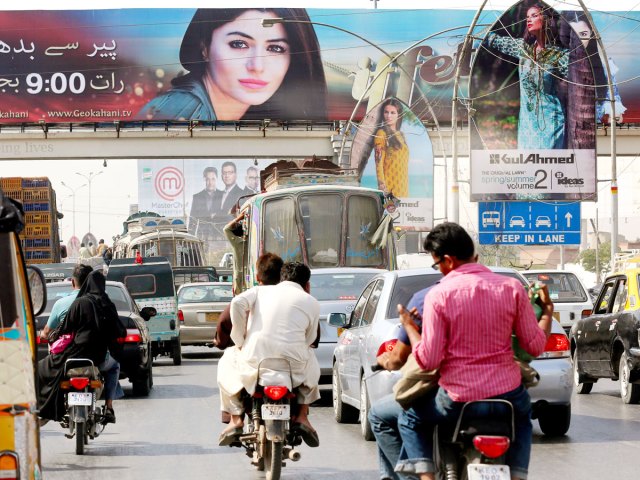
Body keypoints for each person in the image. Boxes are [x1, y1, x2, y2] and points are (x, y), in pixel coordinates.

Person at [394, 222, 553, 480]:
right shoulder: (511, 289)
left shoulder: (439, 295)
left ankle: (427, 477)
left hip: (456, 401)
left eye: (437, 265)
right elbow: (534, 346)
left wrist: (411, 329)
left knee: (410, 417)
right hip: (508, 397)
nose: (439, 271)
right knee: (523, 419)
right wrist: (546, 312)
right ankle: (518, 476)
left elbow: (429, 359)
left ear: (448, 261)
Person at [136, 8, 327, 121]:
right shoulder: (181, 109)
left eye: (275, 48)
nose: (257, 66)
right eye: (239, 44)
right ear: (204, 48)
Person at [217, 261, 320, 448]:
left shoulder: (260, 292)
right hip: (293, 368)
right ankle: (303, 416)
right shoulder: (311, 301)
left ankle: (235, 419)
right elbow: (310, 339)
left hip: (255, 362)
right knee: (310, 355)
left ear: (281, 279)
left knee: (227, 359)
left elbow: (237, 302)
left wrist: (240, 339)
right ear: (307, 285)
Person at [38, 270, 127, 423]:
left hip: (75, 354)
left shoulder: (79, 303)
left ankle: (44, 410)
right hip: (99, 357)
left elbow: (64, 328)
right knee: (114, 366)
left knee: (41, 368)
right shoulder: (107, 304)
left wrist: (54, 337)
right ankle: (109, 406)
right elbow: (119, 331)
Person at [483, 4, 569, 149]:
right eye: (527, 17)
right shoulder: (523, 48)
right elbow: (492, 40)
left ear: (547, 20)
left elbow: (581, 81)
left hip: (551, 122)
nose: (529, 20)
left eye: (534, 16)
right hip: (527, 125)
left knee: (548, 167)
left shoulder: (560, 55)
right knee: (527, 168)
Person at [567, 11, 626, 125]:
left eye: (583, 34)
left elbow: (613, 97)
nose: (578, 41)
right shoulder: (556, 62)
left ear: (591, 34)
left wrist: (614, 115)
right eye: (574, 34)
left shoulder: (604, 64)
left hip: (593, 135)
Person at [374, 98, 410, 198]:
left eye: (392, 112)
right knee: (389, 213)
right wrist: (382, 185)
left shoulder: (401, 135)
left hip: (403, 186)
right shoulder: (381, 134)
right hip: (390, 188)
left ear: (399, 115)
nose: (388, 116)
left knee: (403, 213)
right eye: (386, 112)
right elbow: (378, 162)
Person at [189, 166, 222, 239]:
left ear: (217, 179)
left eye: (213, 179)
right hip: (201, 237)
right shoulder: (197, 197)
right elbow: (192, 219)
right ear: (204, 179)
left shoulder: (223, 195)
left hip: (219, 238)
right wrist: (190, 237)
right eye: (208, 179)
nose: (210, 182)